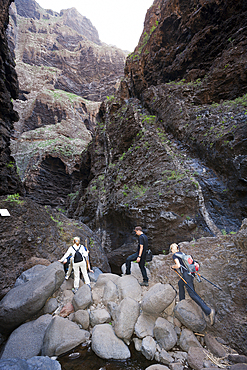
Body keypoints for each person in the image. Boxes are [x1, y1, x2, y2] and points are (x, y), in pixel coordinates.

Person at [170, 243, 215, 325]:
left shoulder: (175, 255)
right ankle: (181, 301)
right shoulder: (182, 254)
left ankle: (209, 311)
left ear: (173, 249)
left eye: (171, 249)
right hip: (189, 273)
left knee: (192, 294)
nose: (171, 251)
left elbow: (178, 265)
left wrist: (173, 267)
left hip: (186, 275)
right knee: (180, 283)